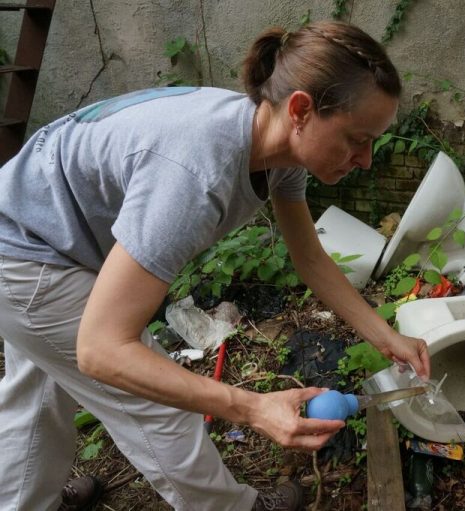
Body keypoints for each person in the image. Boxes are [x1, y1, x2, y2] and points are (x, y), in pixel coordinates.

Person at [0, 20, 430, 511]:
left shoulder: (278, 145)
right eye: (358, 139)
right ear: (302, 110)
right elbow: (101, 350)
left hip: (33, 230)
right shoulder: (195, 172)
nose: (367, 160)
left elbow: (309, 258)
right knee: (162, 406)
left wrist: (384, 335)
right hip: (25, 254)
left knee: (37, 396)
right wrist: (252, 408)